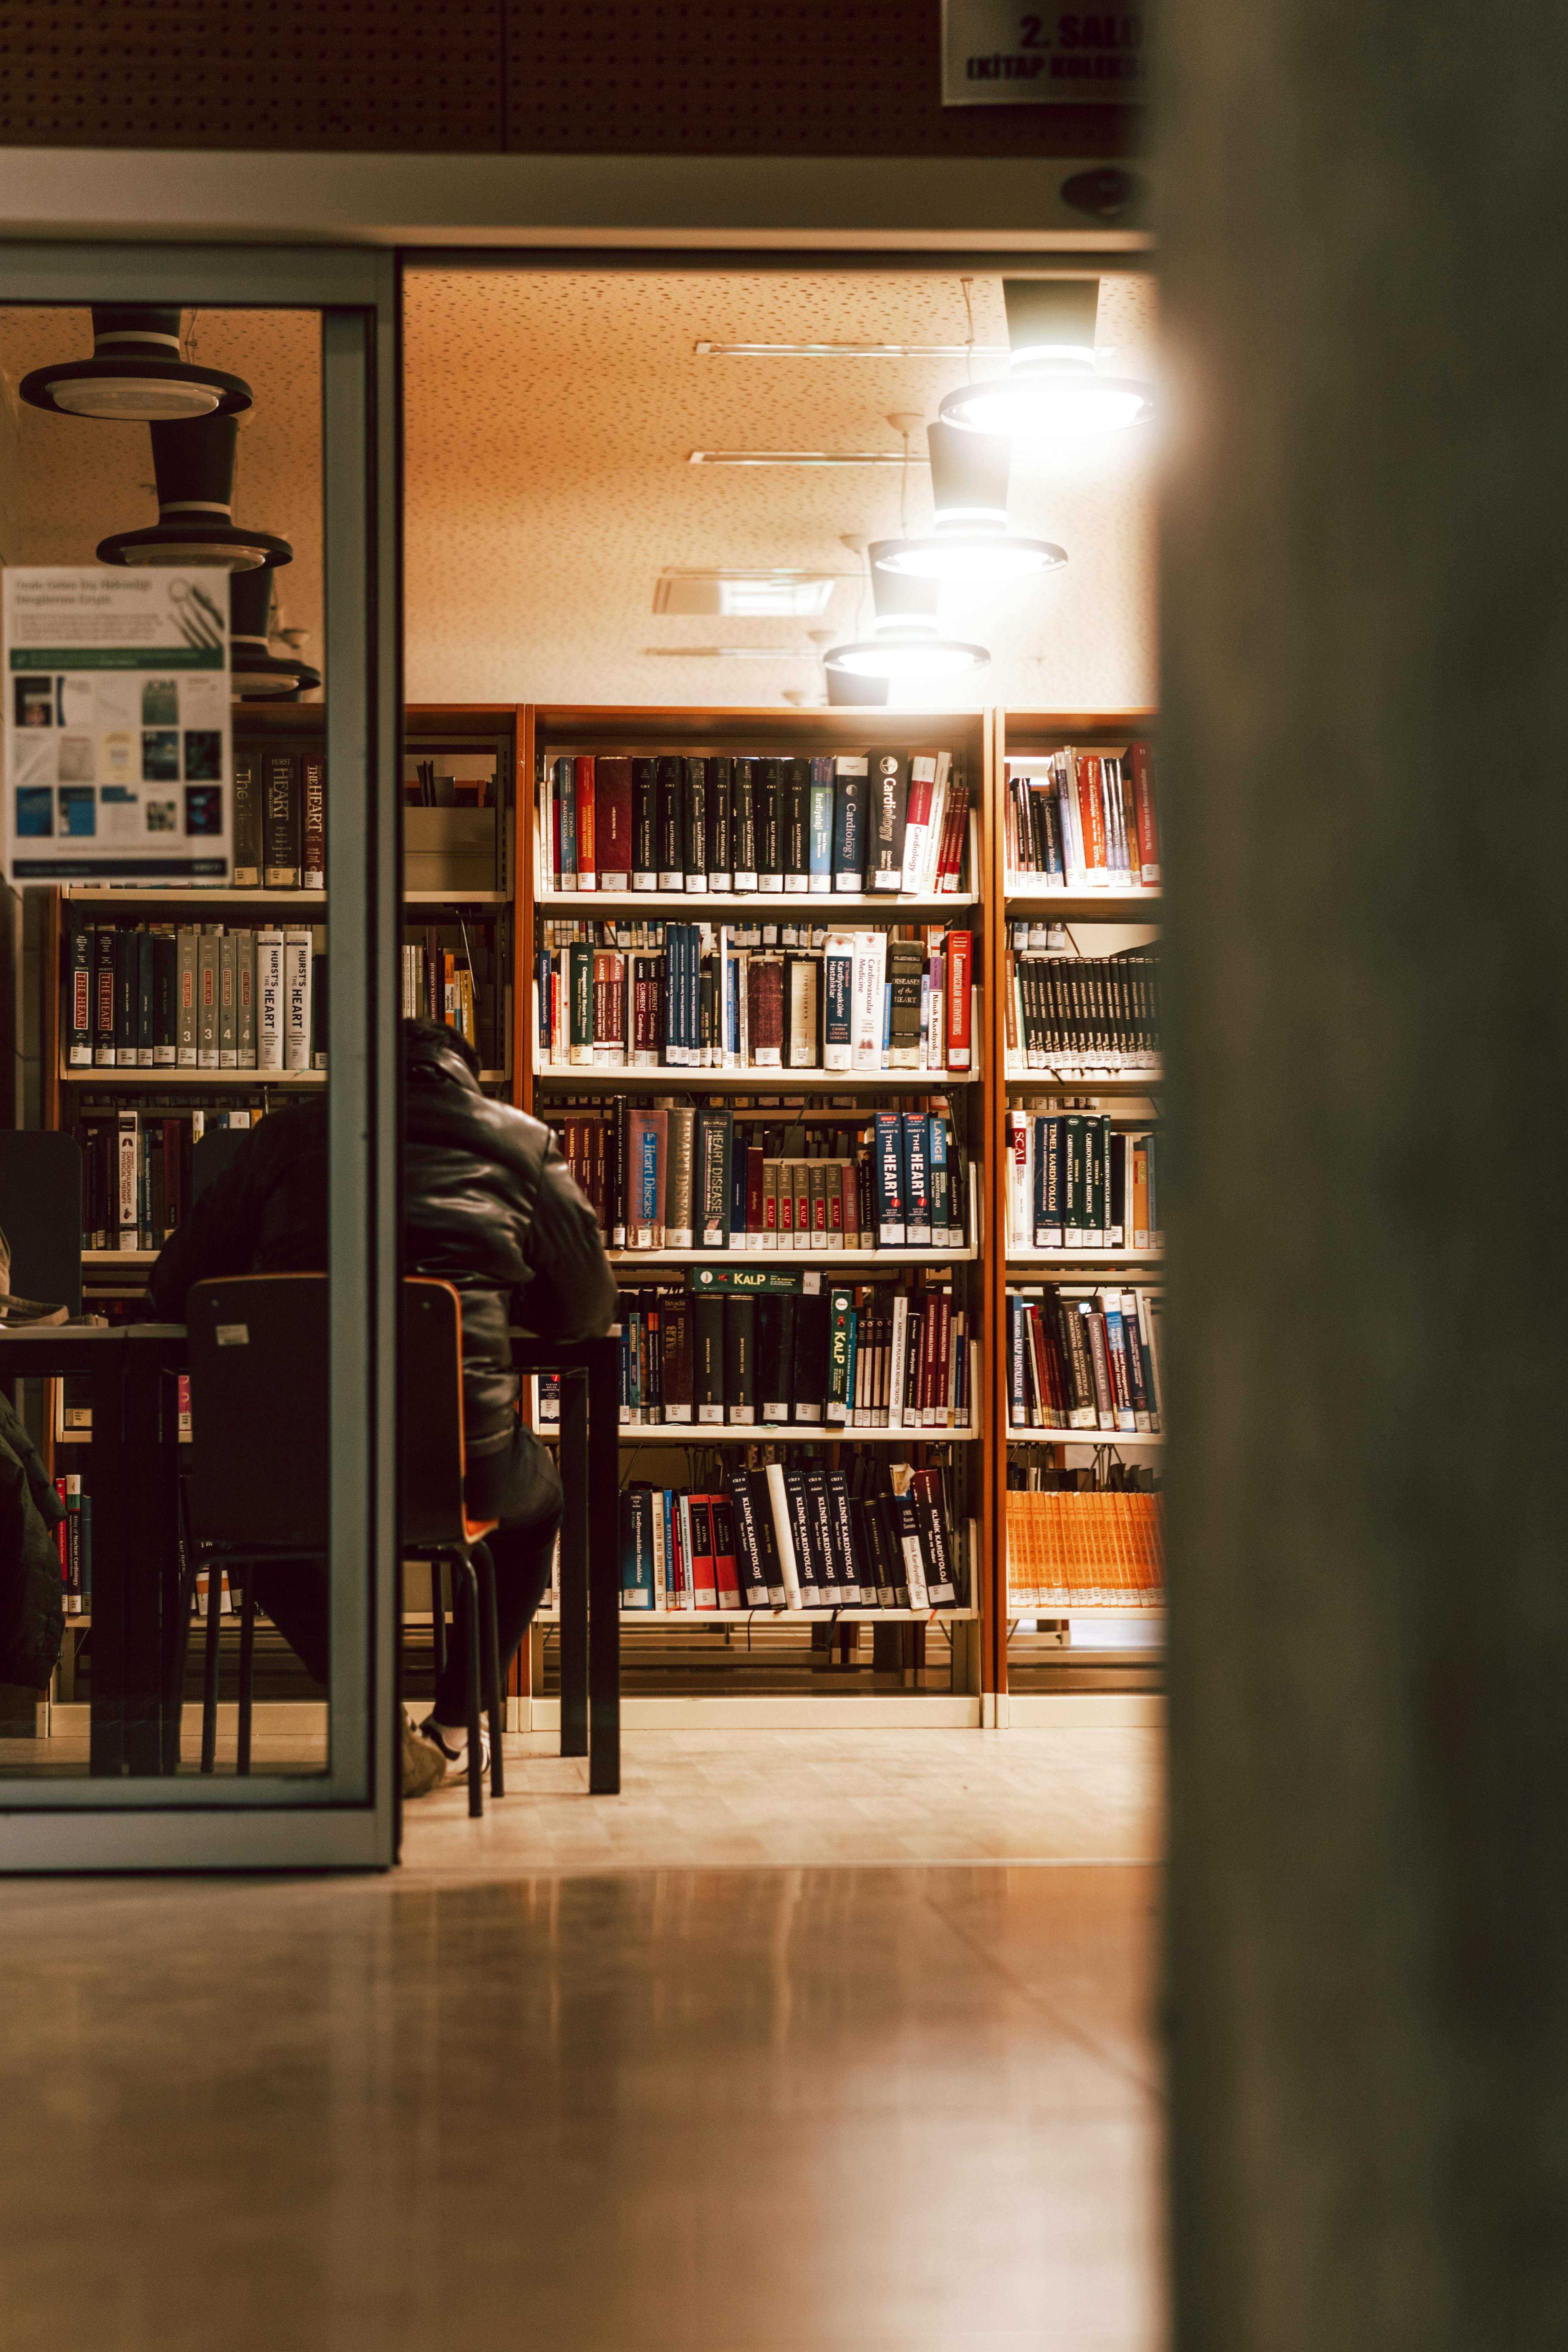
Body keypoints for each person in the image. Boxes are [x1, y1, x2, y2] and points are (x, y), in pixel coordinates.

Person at [149, 1017, 616, 1796]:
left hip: (302, 1469)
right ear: (467, 1076)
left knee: (244, 1510)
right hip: (459, 1473)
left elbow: (174, 1287)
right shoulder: (521, 1143)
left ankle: (368, 1713)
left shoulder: (281, 1140)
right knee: (536, 1504)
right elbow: (586, 1314)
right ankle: (459, 1728)